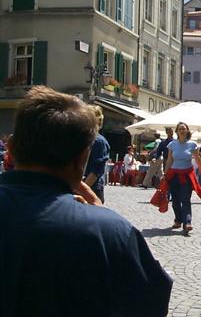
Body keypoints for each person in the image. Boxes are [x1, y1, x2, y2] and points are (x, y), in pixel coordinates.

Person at [0, 86, 172, 316]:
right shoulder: (109, 231)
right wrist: (105, 221)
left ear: (10, 148)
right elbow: (150, 301)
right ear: (84, 157)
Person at [164, 122, 201, 233]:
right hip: (174, 175)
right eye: (180, 129)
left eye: (184, 129)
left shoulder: (192, 144)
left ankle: (187, 222)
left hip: (186, 175)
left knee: (185, 199)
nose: (182, 130)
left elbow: (197, 158)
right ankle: (178, 219)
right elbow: (169, 160)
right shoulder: (172, 144)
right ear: (176, 131)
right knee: (175, 200)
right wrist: (165, 173)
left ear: (187, 131)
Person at [83, 105, 110, 203]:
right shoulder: (83, 138)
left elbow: (96, 171)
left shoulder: (99, 141)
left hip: (91, 189)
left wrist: (82, 190)